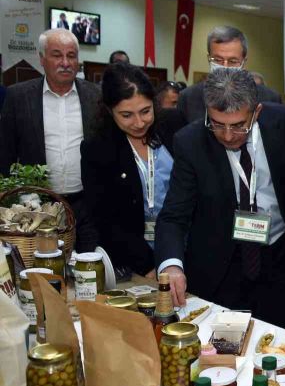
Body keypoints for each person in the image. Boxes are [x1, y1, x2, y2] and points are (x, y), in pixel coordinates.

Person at [156, 68, 285, 329]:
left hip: (277, 257)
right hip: (219, 265)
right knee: (222, 351)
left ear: (257, 111)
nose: (228, 136)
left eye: (239, 125)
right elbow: (173, 215)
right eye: (218, 124)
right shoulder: (190, 142)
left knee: (274, 345)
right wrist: (172, 265)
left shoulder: (284, 122)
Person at [0, 29, 101, 251]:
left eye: (71, 55)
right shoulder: (18, 96)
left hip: (87, 204)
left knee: (90, 268)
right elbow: (5, 152)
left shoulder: (96, 96)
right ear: (42, 59)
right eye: (57, 55)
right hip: (36, 208)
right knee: (45, 272)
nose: (65, 62)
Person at [81, 63, 173, 277]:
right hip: (132, 260)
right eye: (126, 115)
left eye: (145, 111)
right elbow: (105, 217)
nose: (139, 123)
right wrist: (147, 266)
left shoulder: (171, 128)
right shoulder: (98, 149)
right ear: (109, 111)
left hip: (179, 248)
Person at [177, 26, 281, 122]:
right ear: (209, 58)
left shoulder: (269, 98)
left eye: (232, 61)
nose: (225, 66)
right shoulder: (188, 98)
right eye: (218, 60)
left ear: (244, 62)